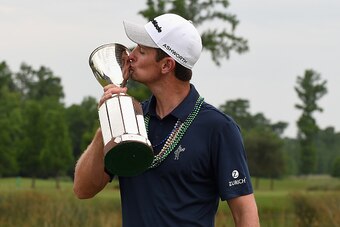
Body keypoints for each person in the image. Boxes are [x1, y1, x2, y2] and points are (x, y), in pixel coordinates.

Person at [74, 13, 260, 227]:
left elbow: (245, 214)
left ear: (166, 66)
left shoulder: (218, 128)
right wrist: (108, 121)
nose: (129, 56)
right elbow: (82, 190)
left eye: (141, 51)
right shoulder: (131, 118)